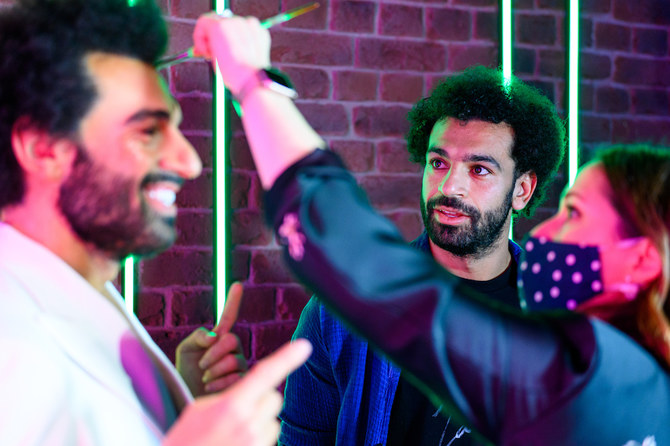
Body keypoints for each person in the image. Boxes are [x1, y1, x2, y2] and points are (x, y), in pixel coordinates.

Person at [194, 14, 670, 445]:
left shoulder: (570, 363)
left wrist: (254, 84)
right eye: (437, 162)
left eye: (575, 214)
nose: (449, 187)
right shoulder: (646, 377)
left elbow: (352, 254)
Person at [0, 1, 310, 445]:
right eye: (147, 131)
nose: (189, 162)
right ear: (43, 149)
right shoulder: (11, 343)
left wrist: (177, 403)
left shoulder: (76, 284)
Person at [278, 65, 564, 444]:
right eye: (438, 163)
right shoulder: (340, 313)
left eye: (479, 169)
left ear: (522, 190)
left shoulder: (566, 315)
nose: (449, 186)